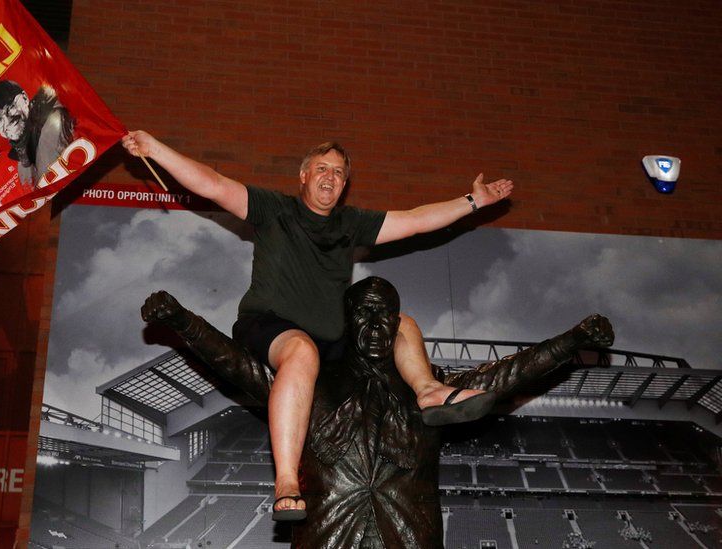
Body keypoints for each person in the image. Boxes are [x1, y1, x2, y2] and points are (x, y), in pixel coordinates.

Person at [122, 130, 514, 520]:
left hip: (334, 339)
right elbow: (212, 183)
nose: (330, 177)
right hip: (269, 326)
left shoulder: (350, 223)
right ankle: (287, 480)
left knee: (397, 322)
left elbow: (414, 221)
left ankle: (428, 390)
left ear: (344, 185)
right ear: (304, 176)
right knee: (301, 350)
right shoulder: (273, 209)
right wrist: (153, 148)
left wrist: (473, 201)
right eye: (322, 169)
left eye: (339, 173)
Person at [141, 279, 614, 547]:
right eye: (364, 313)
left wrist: (571, 342)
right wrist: (183, 322)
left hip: (410, 537)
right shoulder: (309, 380)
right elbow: (240, 366)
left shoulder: (425, 388)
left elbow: (505, 376)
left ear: (399, 324)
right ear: (349, 321)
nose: (375, 324)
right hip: (327, 536)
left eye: (385, 314)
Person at [0, 80, 75, 189]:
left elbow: (50, 184)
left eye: (11, 106)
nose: (7, 119)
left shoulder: (52, 123)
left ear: (24, 98)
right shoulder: (21, 160)